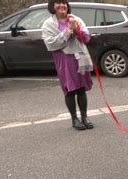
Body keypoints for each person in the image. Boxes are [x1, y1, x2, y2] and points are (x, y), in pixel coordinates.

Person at [42, 0, 94, 130]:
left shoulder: (76, 19)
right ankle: (74, 119)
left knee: (81, 89)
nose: (62, 5)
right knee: (70, 90)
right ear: (52, 6)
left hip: (80, 58)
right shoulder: (48, 24)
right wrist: (66, 32)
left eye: (64, 3)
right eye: (58, 3)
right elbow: (50, 44)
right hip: (63, 60)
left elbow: (87, 38)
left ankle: (84, 117)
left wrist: (75, 29)